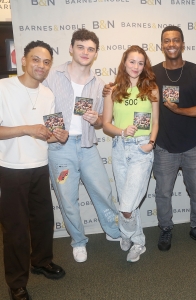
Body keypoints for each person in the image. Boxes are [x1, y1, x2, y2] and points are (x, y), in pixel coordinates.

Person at [43, 28, 120, 263]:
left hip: (87, 146)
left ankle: (113, 230)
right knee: (67, 198)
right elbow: (40, 108)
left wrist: (95, 118)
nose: (85, 52)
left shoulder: (99, 84)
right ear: (71, 48)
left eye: (91, 49)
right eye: (81, 47)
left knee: (103, 192)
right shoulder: (51, 76)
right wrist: (52, 131)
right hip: (60, 149)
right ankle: (78, 241)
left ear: (95, 54)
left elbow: (100, 122)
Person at [0, 41, 67, 300]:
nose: (41, 65)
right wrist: (27, 128)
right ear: (23, 60)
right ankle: (16, 283)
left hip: (39, 166)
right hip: (11, 169)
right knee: (15, 230)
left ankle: (41, 261)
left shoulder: (48, 94)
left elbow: (48, 134)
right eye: (36, 59)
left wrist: (57, 135)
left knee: (43, 222)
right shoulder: (4, 88)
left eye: (47, 61)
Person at [152, 26, 196, 251]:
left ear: (183, 44)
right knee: (163, 193)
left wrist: (179, 111)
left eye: (175, 40)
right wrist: (111, 90)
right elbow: (131, 91)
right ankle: (166, 229)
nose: (171, 44)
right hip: (164, 146)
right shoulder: (152, 72)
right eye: (167, 40)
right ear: (162, 45)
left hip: (192, 146)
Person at [103, 45, 159, 262]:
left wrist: (151, 143)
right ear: (124, 62)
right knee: (127, 199)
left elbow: (156, 122)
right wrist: (122, 131)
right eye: (132, 61)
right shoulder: (113, 90)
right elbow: (106, 125)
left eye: (140, 62)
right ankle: (137, 240)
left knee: (126, 206)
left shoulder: (152, 89)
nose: (136, 66)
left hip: (142, 149)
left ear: (145, 66)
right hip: (119, 147)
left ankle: (126, 234)